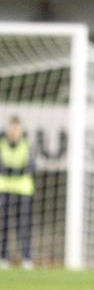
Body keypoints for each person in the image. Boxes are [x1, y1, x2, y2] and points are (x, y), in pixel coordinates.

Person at [0, 115, 36, 270]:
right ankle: (3, 257)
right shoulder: (2, 143)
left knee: (23, 223)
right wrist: (12, 170)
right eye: (12, 128)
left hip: (23, 187)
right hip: (4, 186)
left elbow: (31, 166)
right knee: (4, 223)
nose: (14, 131)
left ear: (21, 129)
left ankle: (26, 257)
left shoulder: (27, 144)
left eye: (17, 128)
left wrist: (14, 170)